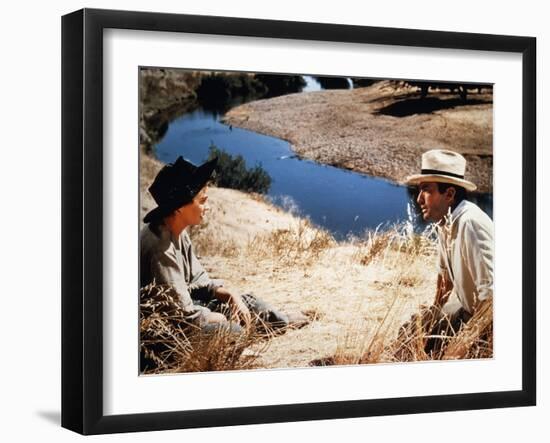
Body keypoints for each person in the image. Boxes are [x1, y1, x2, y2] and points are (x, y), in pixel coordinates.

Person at [140, 156, 308, 335]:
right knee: (231, 331)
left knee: (248, 302)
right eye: (203, 201)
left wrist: (231, 296)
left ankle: (281, 321)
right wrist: (217, 316)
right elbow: (182, 316)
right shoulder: (160, 248)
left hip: (192, 309)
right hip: (168, 332)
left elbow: (199, 282)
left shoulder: (177, 229)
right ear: (180, 207)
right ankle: (254, 332)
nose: (207, 207)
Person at [399, 149, 494, 355]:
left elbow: (493, 298)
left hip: (489, 323)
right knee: (409, 332)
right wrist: (430, 319)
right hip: (468, 311)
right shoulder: (445, 222)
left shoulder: (470, 224)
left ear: (449, 194)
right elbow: (444, 279)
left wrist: (466, 343)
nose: (419, 200)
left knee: (444, 355)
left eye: (426, 190)